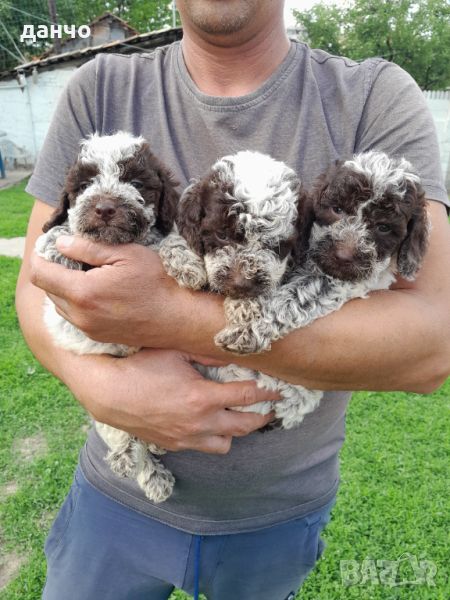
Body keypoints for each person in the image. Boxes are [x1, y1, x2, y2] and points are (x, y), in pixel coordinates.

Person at [16, 0, 450, 598]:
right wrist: (99, 386)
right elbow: (37, 277)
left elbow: (432, 345)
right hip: (112, 504)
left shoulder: (374, 94)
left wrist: (173, 315)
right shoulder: (100, 86)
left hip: (277, 512)